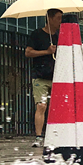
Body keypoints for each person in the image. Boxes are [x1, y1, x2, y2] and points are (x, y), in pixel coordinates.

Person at [25, 8, 61, 147]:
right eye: (58, 18)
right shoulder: (37, 34)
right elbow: (28, 52)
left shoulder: (59, 36)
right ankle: (39, 136)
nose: (60, 21)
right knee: (41, 106)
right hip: (40, 76)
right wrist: (47, 51)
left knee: (58, 106)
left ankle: (57, 135)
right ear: (50, 18)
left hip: (57, 77)